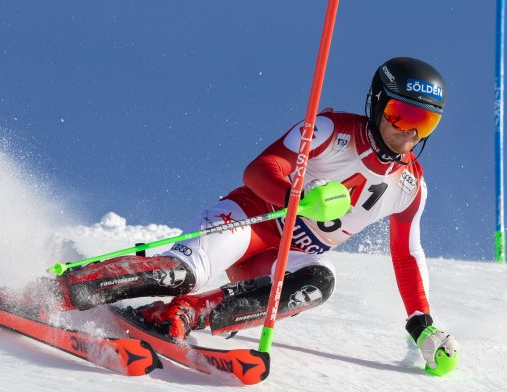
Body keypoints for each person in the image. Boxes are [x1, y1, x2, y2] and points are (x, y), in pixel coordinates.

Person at [43, 57, 459, 373]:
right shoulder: (331, 131)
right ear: (379, 103)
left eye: (424, 123)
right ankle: (58, 291)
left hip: (282, 257)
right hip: (251, 219)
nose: (409, 133)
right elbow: (259, 170)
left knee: (320, 281)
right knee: (182, 273)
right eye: (401, 116)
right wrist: (297, 198)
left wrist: (421, 322)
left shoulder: (410, 187)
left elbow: (407, 255)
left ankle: (180, 314)